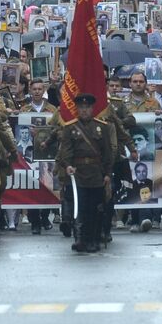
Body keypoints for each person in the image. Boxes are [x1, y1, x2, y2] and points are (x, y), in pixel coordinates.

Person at [55, 92, 116, 254]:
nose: (84, 110)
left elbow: (108, 153)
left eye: (87, 107)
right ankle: (80, 239)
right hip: (78, 174)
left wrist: (108, 173)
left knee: (95, 209)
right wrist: (67, 165)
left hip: (96, 173)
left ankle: (94, 239)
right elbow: (66, 151)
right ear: (76, 108)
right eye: (81, 107)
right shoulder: (70, 128)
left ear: (92, 108)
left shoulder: (101, 127)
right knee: (79, 207)